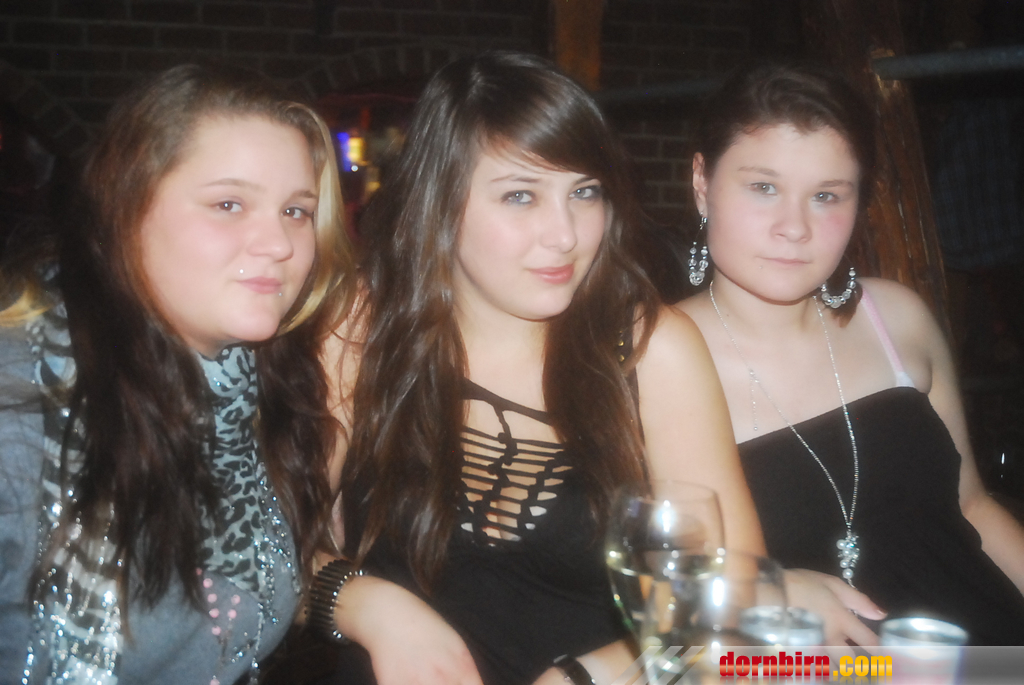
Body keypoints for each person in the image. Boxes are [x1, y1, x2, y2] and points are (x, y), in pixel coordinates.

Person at [313, 51, 767, 685]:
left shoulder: (649, 348)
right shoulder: (363, 328)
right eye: (520, 195)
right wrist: (367, 606)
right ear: (440, 202)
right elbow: (260, 545)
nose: (565, 235)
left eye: (584, 192)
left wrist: (587, 676)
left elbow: (731, 595)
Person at [0, 64, 354, 683]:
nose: (279, 244)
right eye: (228, 204)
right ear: (127, 207)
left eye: (296, 211)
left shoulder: (257, 386)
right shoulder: (22, 403)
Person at [675, 61, 1024, 644]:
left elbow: (973, 507)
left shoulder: (897, 317)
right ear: (701, 184)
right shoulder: (658, 359)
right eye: (764, 187)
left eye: (826, 196)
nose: (795, 227)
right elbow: (672, 610)